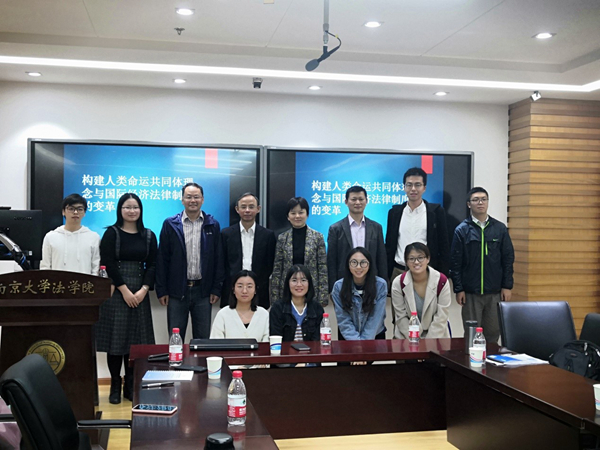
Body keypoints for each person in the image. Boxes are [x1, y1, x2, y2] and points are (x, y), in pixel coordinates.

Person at [96, 193, 157, 404]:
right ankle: (115, 384)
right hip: (117, 291)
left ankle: (130, 385)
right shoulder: (111, 233)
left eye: (135, 207)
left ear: (141, 210)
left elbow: (153, 265)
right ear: (120, 210)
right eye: (127, 207)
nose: (131, 211)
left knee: (135, 343)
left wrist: (143, 289)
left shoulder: (148, 235)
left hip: (140, 291)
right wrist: (124, 290)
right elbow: (108, 263)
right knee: (116, 340)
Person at [155, 182, 224, 341]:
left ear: (203, 199)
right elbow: (162, 259)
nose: (193, 200)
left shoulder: (212, 225)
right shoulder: (170, 224)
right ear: (182, 200)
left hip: (203, 292)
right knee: (175, 339)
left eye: (196, 197)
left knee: (202, 340)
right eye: (188, 197)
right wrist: (162, 290)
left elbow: (218, 259)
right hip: (176, 292)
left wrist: (216, 289)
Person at [450, 187, 514, 343]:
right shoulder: (461, 230)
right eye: (476, 200)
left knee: (493, 333)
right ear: (468, 204)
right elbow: (455, 263)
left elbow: (508, 259)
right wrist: (459, 289)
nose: (480, 203)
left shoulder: (499, 228)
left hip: (495, 292)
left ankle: (491, 359)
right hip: (471, 293)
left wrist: (507, 286)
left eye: (483, 199)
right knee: (471, 334)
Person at [385, 167, 450, 285]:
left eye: (418, 185)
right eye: (409, 185)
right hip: (399, 271)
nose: (413, 189)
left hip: (427, 271)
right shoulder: (394, 213)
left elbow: (444, 246)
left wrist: (442, 275)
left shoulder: (436, 212)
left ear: (424, 188)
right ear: (404, 187)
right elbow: (389, 245)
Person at [327, 185, 387, 296]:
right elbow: (331, 261)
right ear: (346, 202)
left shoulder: (376, 227)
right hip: (344, 280)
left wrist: (384, 284)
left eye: (361, 199)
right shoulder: (335, 229)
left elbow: (381, 258)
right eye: (354, 199)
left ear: (366, 201)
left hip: (371, 280)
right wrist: (332, 287)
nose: (357, 202)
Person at [221, 193, 276, 309]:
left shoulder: (268, 235)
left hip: (259, 291)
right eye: (243, 207)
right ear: (237, 209)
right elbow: (222, 264)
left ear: (258, 209)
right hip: (231, 290)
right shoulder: (226, 234)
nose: (247, 210)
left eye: (251, 207)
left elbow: (270, 265)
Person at [271, 197, 328, 306]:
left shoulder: (317, 237)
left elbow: (322, 268)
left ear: (307, 214)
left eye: (301, 212)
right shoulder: (282, 238)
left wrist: (323, 296)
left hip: (311, 290)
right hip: (287, 290)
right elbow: (277, 269)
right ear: (288, 216)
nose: (297, 216)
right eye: (293, 213)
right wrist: (275, 297)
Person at [391, 242, 451, 339]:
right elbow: (401, 317)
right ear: (406, 261)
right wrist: (415, 340)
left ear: (428, 259)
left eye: (420, 258)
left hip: (436, 336)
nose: (416, 262)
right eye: (411, 259)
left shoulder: (441, 281)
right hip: (407, 336)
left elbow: (441, 316)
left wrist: (428, 343)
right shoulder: (398, 283)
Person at [331, 247, 387, 340]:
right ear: (348, 265)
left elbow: (376, 318)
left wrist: (363, 343)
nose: (358, 267)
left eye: (363, 263)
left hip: (375, 337)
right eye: (354, 262)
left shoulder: (380, 285)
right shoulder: (338, 287)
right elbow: (343, 319)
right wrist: (356, 342)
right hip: (348, 338)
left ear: (369, 265)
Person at [40, 193, 100, 274]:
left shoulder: (93, 237)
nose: (75, 212)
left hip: (84, 282)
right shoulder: (50, 237)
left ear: (84, 213)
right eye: (71, 209)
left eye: (80, 209)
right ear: (63, 212)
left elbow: (95, 267)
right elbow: (45, 266)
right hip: (58, 282)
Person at [269, 265, 324, 342]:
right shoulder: (278, 308)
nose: (299, 284)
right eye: (294, 280)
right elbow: (276, 339)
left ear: (309, 283)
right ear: (288, 283)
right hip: (284, 350)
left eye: (303, 280)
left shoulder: (317, 308)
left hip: (311, 350)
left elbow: (318, 341)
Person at [211, 270, 269, 342]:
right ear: (233, 289)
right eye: (240, 286)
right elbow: (215, 344)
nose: (244, 291)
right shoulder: (223, 314)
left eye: (249, 286)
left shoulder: (264, 315)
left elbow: (267, 345)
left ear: (255, 290)